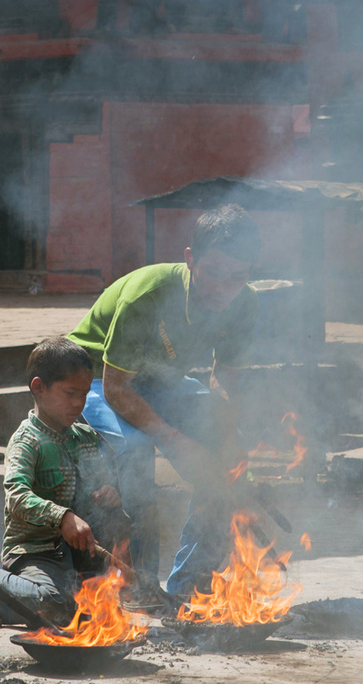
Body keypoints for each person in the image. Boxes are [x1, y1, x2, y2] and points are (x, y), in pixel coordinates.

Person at [69, 204, 260, 601]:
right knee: (134, 449)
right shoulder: (149, 294)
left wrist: (225, 443)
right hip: (92, 378)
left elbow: (226, 381)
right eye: (212, 272)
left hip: (164, 381)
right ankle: (139, 586)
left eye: (236, 278)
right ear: (190, 259)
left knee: (226, 455)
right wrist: (175, 441)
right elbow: (117, 387)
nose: (222, 288)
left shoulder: (246, 304)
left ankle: (190, 586)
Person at [0, 337, 132, 628]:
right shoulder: (27, 442)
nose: (79, 403)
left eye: (84, 394)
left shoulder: (86, 437)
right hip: (36, 552)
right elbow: (17, 496)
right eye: (70, 393)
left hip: (81, 552)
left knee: (91, 613)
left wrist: (110, 494)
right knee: (55, 606)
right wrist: (62, 517)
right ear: (38, 387)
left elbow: (105, 484)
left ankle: (64, 598)